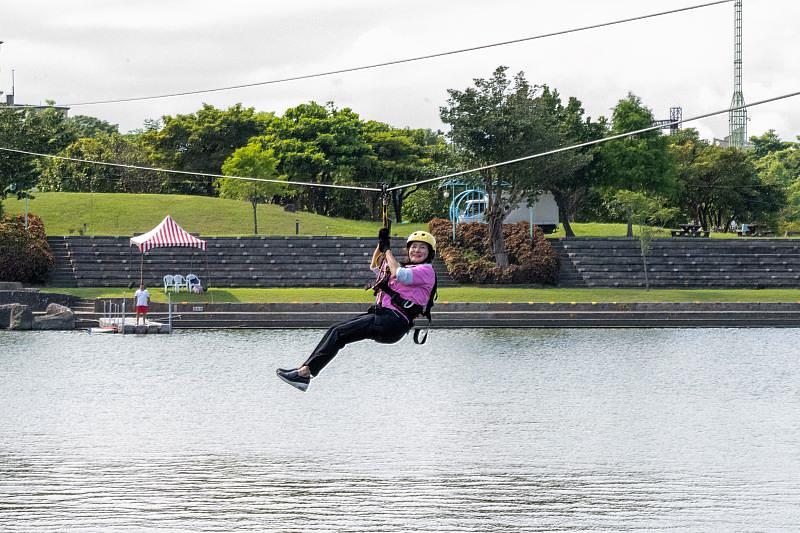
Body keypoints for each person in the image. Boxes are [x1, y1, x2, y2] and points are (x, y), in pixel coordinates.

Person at [276, 229, 437, 392]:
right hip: (383, 318)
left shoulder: (426, 271)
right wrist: (381, 245)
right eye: (414, 246)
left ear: (429, 252)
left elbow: (398, 273)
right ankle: (303, 372)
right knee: (337, 331)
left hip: (393, 322)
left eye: (422, 247)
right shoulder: (407, 268)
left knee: (338, 332)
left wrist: (387, 249)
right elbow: (375, 266)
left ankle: (304, 373)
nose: (417, 250)